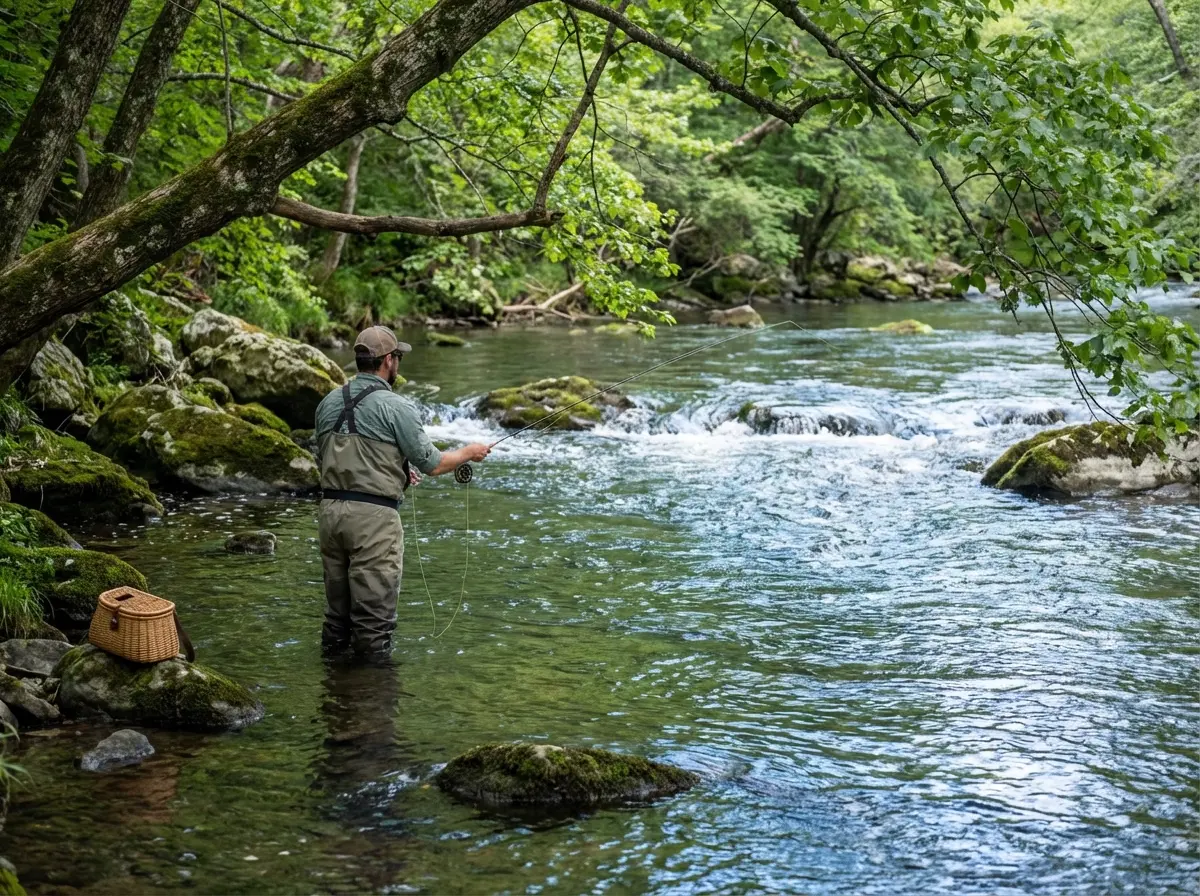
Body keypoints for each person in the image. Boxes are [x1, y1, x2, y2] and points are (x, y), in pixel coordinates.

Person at [314, 325, 491, 659]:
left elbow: (330, 458)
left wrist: (395, 469)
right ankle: (373, 701)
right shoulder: (396, 407)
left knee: (337, 619)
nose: (398, 363)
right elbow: (433, 463)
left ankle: (333, 694)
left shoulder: (327, 403)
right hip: (374, 523)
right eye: (398, 357)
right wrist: (470, 452)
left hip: (330, 517)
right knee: (373, 624)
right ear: (387, 361)